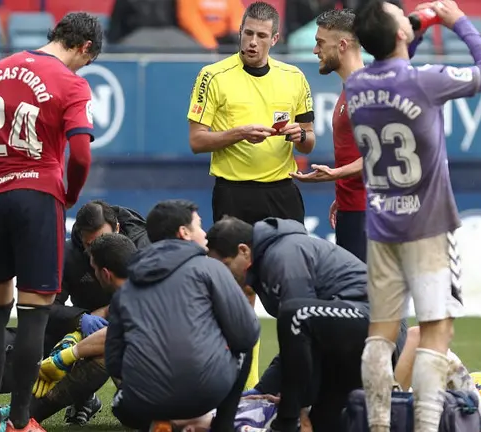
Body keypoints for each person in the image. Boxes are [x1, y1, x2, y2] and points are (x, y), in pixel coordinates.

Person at [346, 1, 481, 431]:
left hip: (381, 228)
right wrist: (456, 22)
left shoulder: (356, 85)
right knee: (436, 333)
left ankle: (378, 426)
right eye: (402, 18)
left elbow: (392, 61)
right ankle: (426, 427)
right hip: (429, 226)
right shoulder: (424, 80)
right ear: (400, 35)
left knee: (380, 336)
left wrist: (410, 23)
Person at [0, 12, 101, 432]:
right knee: (33, 313)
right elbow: (80, 154)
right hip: (37, 197)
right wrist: (71, 195)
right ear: (85, 47)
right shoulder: (72, 82)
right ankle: (21, 421)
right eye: (89, 60)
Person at [186, 0, 315, 390]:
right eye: (247, 33)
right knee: (239, 291)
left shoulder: (294, 78)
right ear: (239, 32)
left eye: (261, 36)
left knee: (295, 291)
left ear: (275, 38)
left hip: (282, 194)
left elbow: (309, 142)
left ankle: (298, 379)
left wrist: (299, 135)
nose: (252, 42)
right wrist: (237, 133)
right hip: (233, 195)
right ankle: (246, 383)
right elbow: (196, 141)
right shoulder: (213, 75)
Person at [206, 216, 407, 432]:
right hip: (346, 342)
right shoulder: (266, 266)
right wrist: (261, 390)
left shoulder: (284, 256)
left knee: (295, 315)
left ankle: (287, 424)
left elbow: (301, 328)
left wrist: (295, 407)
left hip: (377, 328)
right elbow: (297, 343)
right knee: (325, 423)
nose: (223, 276)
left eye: (225, 266)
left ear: (244, 250)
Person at [107, 199, 260, 432]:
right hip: (206, 393)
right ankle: (222, 426)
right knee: (243, 344)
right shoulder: (211, 269)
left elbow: (114, 361)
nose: (205, 234)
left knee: (122, 404)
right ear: (184, 232)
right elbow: (246, 335)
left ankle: (163, 420)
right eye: (199, 226)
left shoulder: (128, 285)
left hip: (141, 400)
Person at [0, 233, 137, 431]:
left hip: (170, 405)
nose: (93, 275)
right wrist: (75, 335)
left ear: (105, 273)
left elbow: (113, 336)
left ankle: (20, 417)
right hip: (172, 386)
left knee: (103, 356)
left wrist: (65, 356)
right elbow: (109, 312)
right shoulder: (143, 285)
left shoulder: (139, 297)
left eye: (94, 269)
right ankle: (18, 415)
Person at [45, 200, 149, 425]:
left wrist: (110, 312)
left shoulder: (144, 246)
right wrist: (81, 319)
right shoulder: (66, 254)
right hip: (87, 329)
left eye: (103, 240)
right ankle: (78, 399)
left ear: (118, 229)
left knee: (136, 413)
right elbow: (46, 308)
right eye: (90, 245)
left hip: (136, 328)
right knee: (45, 337)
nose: (96, 251)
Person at [289, 9, 367, 262]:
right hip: (351, 208)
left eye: (320, 43)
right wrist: (342, 191)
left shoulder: (365, 91)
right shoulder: (350, 89)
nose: (315, 50)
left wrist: (335, 174)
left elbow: (382, 155)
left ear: (342, 45)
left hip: (367, 214)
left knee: (366, 298)